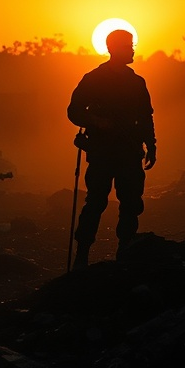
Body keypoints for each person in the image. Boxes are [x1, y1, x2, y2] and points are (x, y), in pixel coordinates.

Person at [67, 29, 156, 269]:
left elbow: (146, 117)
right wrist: (98, 122)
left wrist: (152, 145)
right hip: (102, 152)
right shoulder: (94, 79)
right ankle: (82, 254)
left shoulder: (136, 83)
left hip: (129, 152)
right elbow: (73, 111)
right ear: (114, 48)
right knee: (96, 201)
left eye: (132, 44)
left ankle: (124, 251)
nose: (133, 49)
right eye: (128, 45)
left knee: (130, 203)